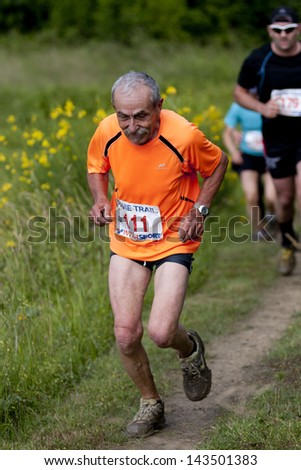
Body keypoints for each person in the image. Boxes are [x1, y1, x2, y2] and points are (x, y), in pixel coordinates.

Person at [87, 71, 228, 437]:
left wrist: (200, 210)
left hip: (173, 241)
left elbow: (218, 166)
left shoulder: (184, 136)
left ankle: (190, 349)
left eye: (141, 116)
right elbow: (96, 166)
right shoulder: (107, 130)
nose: (132, 126)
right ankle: (151, 404)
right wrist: (101, 199)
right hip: (127, 241)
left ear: (158, 107)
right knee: (125, 333)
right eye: (124, 117)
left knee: (162, 332)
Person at [234, 5, 301, 275]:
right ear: (270, 31)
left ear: (298, 29)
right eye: (278, 30)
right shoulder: (258, 59)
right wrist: (262, 108)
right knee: (284, 200)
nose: (283, 35)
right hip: (276, 139)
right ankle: (286, 240)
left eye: (289, 29)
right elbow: (239, 93)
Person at [223, 99, 277, 240]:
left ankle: (272, 217)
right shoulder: (239, 106)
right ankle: (258, 230)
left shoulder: (271, 102)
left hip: (270, 154)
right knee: (251, 195)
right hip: (248, 157)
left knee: (271, 196)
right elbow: (227, 132)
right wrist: (234, 152)